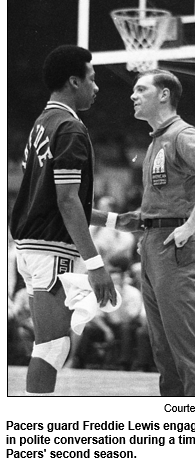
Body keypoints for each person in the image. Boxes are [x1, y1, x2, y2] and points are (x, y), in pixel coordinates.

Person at [92, 69, 195, 396]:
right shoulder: (157, 142)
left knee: (186, 350)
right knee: (165, 354)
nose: (132, 95)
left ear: (164, 95)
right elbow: (142, 217)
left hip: (175, 250)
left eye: (141, 89)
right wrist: (90, 215)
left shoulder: (181, 134)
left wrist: (191, 224)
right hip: (154, 247)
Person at [10, 45, 117, 396]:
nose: (96, 87)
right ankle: (36, 431)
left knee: (49, 345)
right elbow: (67, 200)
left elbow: (55, 200)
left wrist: (115, 221)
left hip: (30, 247)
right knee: (53, 347)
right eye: (92, 78)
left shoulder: (42, 124)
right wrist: (96, 264)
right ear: (74, 81)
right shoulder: (70, 128)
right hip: (51, 248)